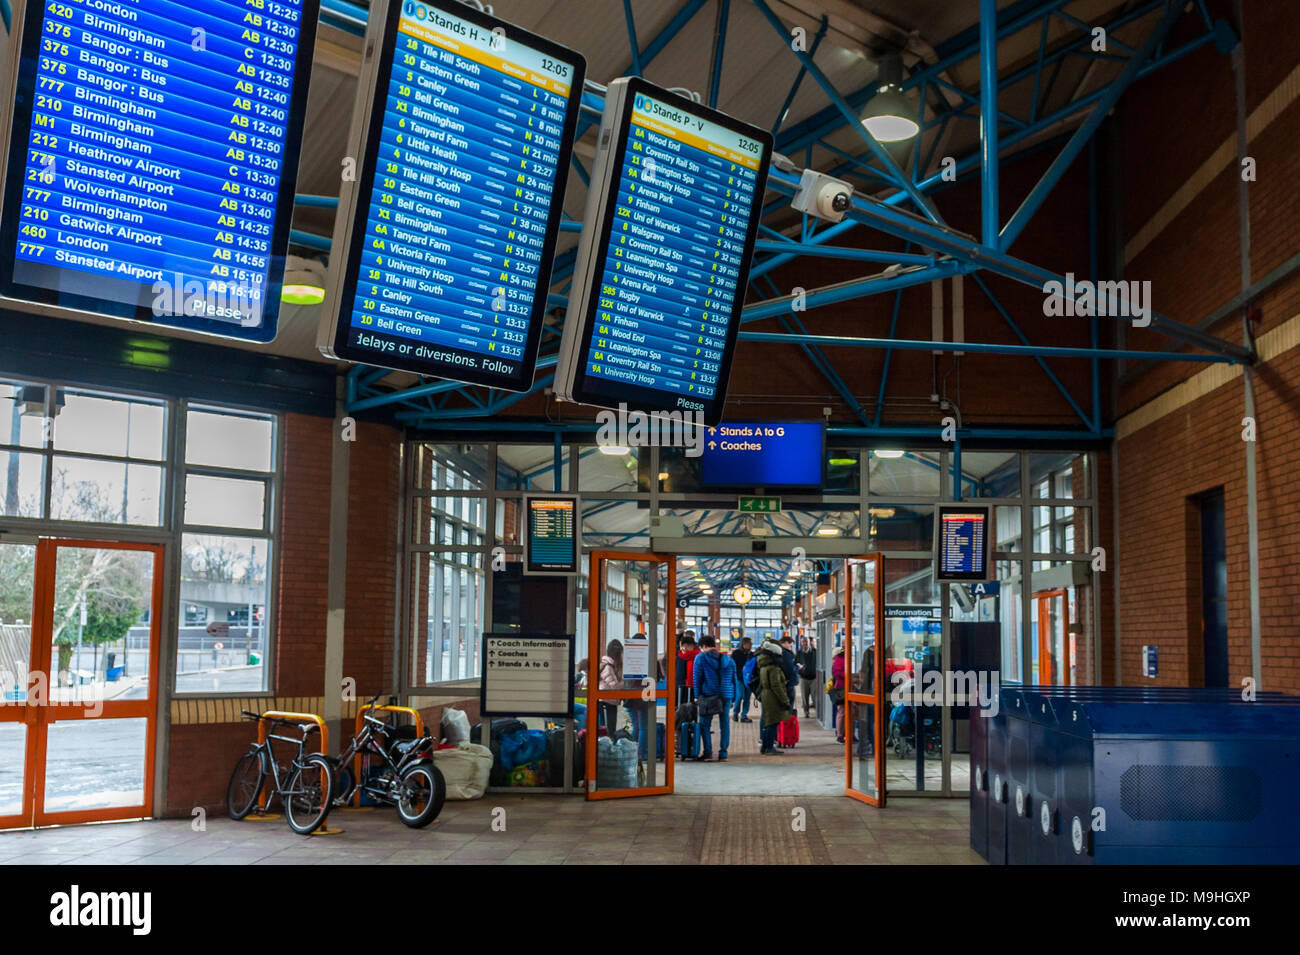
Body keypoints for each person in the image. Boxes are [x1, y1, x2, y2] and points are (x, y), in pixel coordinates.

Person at [691, 633, 736, 761]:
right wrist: (734, 698)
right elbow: (734, 679)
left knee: (705, 724)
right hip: (726, 694)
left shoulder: (701, 658)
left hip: (708, 695)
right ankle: (723, 753)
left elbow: (697, 678)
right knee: (725, 724)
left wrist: (696, 696)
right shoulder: (728, 659)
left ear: (703, 646)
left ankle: (708, 752)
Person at [756, 637, 791, 755]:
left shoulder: (763, 666)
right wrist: (785, 700)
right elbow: (776, 686)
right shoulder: (774, 668)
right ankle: (769, 747)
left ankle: (765, 747)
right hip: (773, 697)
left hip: (766, 695)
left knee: (768, 722)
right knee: (773, 722)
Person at [598, 640, 623, 735]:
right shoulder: (608, 667)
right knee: (609, 730)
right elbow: (615, 686)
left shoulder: (609, 665)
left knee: (608, 729)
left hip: (608, 701)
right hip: (607, 702)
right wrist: (627, 682)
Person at [730, 636, 754, 723]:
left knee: (747, 698)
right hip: (739, 678)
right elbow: (732, 665)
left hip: (749, 680)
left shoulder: (751, 654)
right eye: (749, 644)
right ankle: (735, 713)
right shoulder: (736, 653)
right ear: (744, 644)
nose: (751, 645)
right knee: (739, 696)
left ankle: (744, 716)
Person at [795, 636, 817, 717]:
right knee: (804, 696)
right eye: (803, 642)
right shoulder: (799, 653)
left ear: (809, 643)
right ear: (801, 643)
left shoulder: (815, 652)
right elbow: (795, 663)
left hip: (814, 678)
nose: (805, 644)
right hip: (803, 678)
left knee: (815, 696)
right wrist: (798, 666)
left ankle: (817, 713)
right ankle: (806, 712)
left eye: (806, 642)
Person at [676, 634, 699, 706]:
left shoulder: (698, 657)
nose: (684, 648)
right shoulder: (678, 657)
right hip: (679, 687)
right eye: (682, 646)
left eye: (686, 646)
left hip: (694, 688)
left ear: (692, 646)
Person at [778, 636, 799, 717]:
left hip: (785, 682)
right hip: (788, 683)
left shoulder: (781, 652)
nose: (791, 646)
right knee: (789, 704)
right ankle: (787, 723)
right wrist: (797, 667)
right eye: (790, 644)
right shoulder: (785, 653)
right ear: (785, 643)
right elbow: (789, 669)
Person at [830, 644, 846, 742]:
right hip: (841, 688)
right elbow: (837, 673)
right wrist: (849, 675)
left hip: (846, 687)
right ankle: (840, 735)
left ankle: (845, 733)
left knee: (845, 712)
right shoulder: (839, 659)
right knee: (841, 711)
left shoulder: (843, 659)